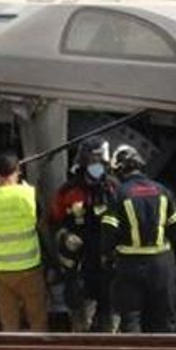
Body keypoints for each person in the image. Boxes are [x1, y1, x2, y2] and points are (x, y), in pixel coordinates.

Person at [101, 145, 176, 333]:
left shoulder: (119, 195)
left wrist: (107, 255)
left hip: (129, 266)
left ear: (120, 170)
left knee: (131, 320)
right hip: (162, 264)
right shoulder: (163, 191)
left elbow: (108, 231)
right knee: (163, 319)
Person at [48, 141, 119, 332]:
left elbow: (125, 220)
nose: (97, 164)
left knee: (110, 316)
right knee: (79, 314)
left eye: (100, 159)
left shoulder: (112, 188)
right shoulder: (68, 191)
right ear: (83, 160)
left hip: (107, 261)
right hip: (79, 260)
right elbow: (53, 222)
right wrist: (65, 235)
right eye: (93, 159)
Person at [0, 152, 47, 331]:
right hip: (29, 268)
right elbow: (40, 221)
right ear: (18, 170)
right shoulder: (28, 194)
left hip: (1, 271)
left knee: (9, 322)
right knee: (37, 319)